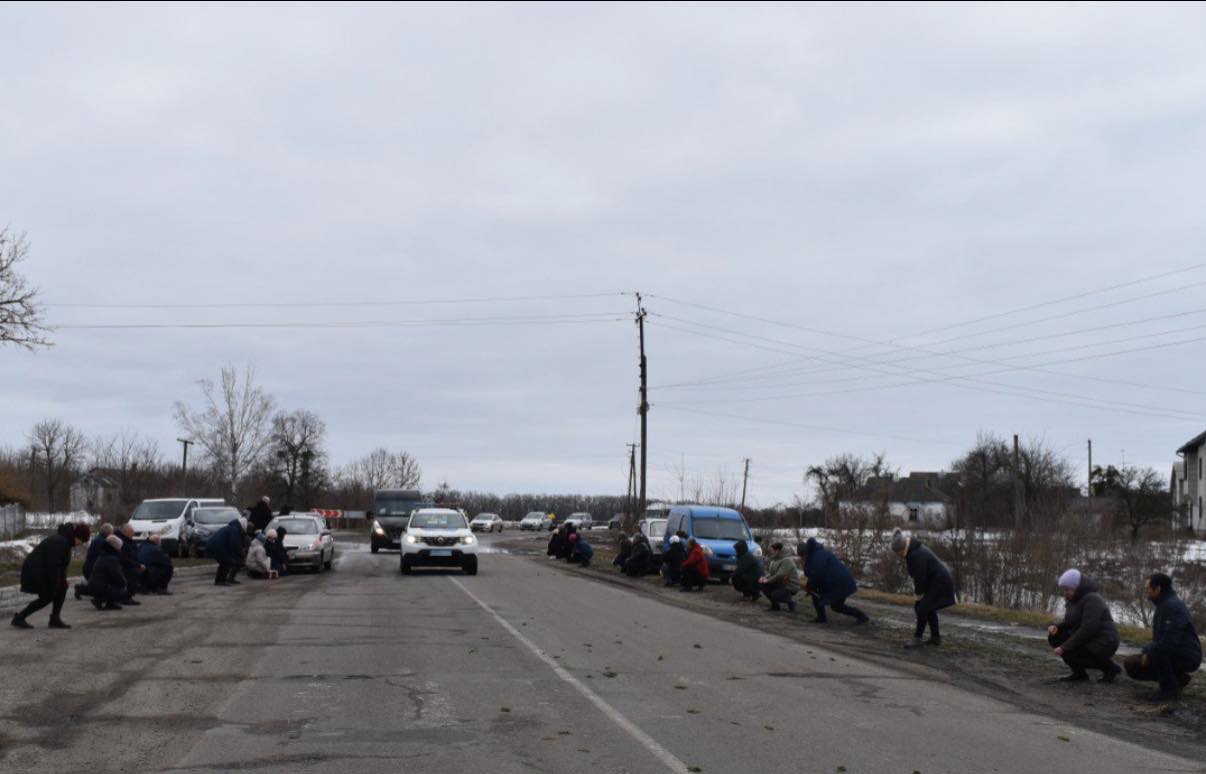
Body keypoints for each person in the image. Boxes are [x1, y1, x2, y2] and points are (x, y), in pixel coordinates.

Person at [1123, 573, 1202, 700]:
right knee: (1132, 664)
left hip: (1188, 656)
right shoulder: (1164, 604)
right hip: (1176, 652)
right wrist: (1148, 651)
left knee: (1157, 652)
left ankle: (1169, 692)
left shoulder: (1172, 606)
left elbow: (1168, 641)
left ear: (1158, 589)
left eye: (1148, 588)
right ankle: (1178, 679)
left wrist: (1148, 653)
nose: (1146, 591)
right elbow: (1161, 639)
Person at [1045, 569, 1120, 683]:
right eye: (1064, 589)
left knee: (1071, 652)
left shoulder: (1092, 599)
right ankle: (1079, 674)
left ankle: (1110, 668)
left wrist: (1064, 647)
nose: (1065, 593)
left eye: (1068, 589)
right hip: (1090, 639)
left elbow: (1088, 629)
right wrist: (1056, 627)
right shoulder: (1073, 599)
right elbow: (1069, 621)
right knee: (1055, 636)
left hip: (1104, 641)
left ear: (1077, 587)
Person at [12, 523, 90, 629]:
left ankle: (55, 619)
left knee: (62, 588)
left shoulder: (65, 541)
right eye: (82, 541)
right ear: (77, 536)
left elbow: (60, 565)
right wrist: (55, 582)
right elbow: (53, 564)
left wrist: (62, 580)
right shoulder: (60, 542)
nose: (81, 544)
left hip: (42, 569)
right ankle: (19, 618)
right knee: (47, 596)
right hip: (35, 570)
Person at [892, 529, 956, 648]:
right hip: (935, 580)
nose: (897, 555)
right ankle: (935, 638)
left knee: (922, 608)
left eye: (897, 552)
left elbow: (920, 577)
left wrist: (918, 596)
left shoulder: (915, 554)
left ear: (902, 548)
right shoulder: (913, 550)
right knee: (928, 608)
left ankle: (918, 638)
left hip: (940, 581)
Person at [800, 538, 868, 625]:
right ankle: (821, 617)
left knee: (835, 605)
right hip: (841, 581)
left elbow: (816, 574)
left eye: (802, 556)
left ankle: (862, 616)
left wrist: (810, 587)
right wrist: (810, 586)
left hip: (839, 583)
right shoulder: (819, 553)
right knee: (833, 604)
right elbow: (815, 575)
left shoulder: (815, 557)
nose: (802, 558)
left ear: (804, 553)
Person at [74, 534, 130, 611]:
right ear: (116, 546)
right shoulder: (112, 558)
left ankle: (105, 601)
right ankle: (100, 600)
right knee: (123, 589)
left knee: (114, 584)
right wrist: (125, 583)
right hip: (100, 587)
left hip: (94, 585)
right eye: (120, 546)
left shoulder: (103, 555)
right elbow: (117, 575)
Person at [759, 542, 799, 611]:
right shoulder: (774, 560)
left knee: (775, 594)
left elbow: (780, 575)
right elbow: (771, 573)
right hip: (780, 583)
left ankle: (791, 602)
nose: (772, 551)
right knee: (763, 585)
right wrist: (764, 578)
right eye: (773, 550)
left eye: (774, 550)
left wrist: (768, 580)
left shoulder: (787, 560)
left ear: (779, 550)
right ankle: (775, 606)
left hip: (789, 586)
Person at [207, 516, 247, 586]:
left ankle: (219, 581)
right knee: (226, 562)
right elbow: (235, 544)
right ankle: (221, 581)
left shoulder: (231, 527)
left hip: (214, 545)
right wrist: (241, 554)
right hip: (218, 546)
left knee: (224, 563)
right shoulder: (235, 530)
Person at [116, 523, 144, 605]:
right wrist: (138, 565)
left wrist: (139, 564)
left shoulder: (129, 541)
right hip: (123, 566)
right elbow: (125, 559)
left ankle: (131, 594)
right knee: (132, 572)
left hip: (129, 564)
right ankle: (127, 597)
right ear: (125, 532)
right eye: (131, 532)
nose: (133, 534)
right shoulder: (122, 542)